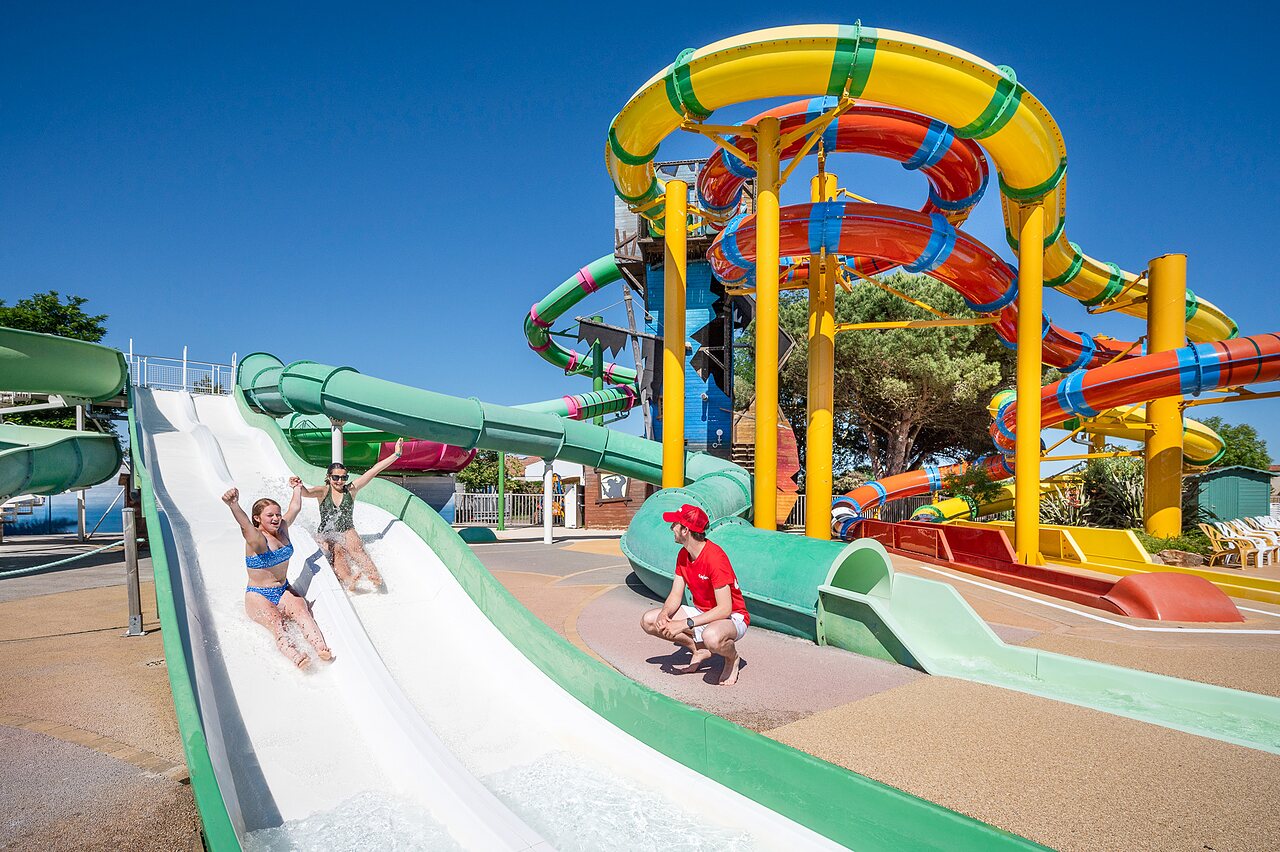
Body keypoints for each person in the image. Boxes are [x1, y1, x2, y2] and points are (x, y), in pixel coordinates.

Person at [222, 482, 333, 670]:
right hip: (258, 595)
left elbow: (295, 508)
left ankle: (320, 647)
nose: (276, 518)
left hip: (283, 589)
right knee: (278, 623)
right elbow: (245, 525)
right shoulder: (257, 539)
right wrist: (234, 504)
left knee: (302, 611)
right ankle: (297, 657)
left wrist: (297, 488)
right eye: (270, 515)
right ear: (257, 518)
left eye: (278, 514)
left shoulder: (283, 529)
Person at [640, 503, 750, 687]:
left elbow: (725, 609)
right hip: (703, 612)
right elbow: (675, 595)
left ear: (685, 530)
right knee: (649, 621)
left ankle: (732, 658)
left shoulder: (715, 558)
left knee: (711, 637)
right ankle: (698, 649)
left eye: (675, 524)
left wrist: (684, 624)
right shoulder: (683, 555)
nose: (671, 528)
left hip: (732, 617)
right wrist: (664, 614)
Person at [299, 438, 404, 592]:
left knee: (355, 545)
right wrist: (298, 486)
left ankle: (373, 574)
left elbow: (373, 471)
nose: (340, 481)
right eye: (336, 477)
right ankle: (349, 579)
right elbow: (306, 493)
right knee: (337, 550)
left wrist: (396, 454)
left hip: (346, 528)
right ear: (329, 477)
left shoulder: (351, 490)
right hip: (327, 532)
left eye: (344, 477)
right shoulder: (323, 491)